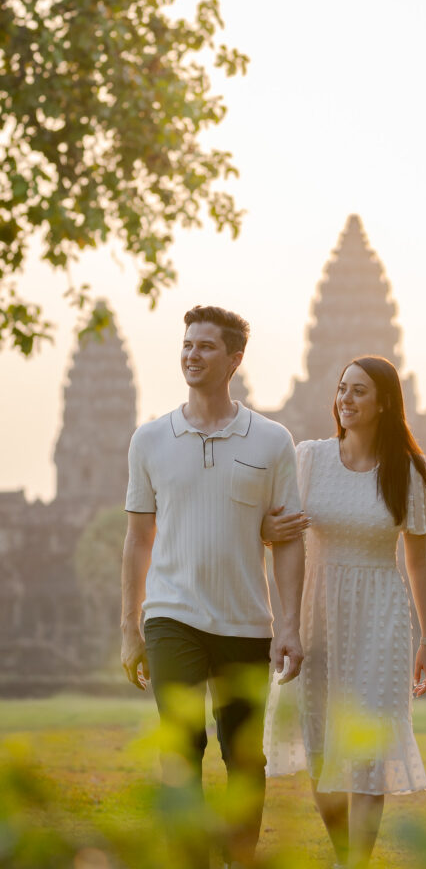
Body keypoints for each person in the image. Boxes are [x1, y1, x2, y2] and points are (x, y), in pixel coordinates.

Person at [121, 305, 306, 869]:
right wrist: (130, 628)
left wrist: (290, 626)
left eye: (205, 346)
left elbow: (290, 538)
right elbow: (137, 540)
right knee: (181, 748)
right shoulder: (150, 439)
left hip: (246, 622)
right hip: (171, 615)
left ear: (234, 359)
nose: (192, 354)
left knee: (245, 761)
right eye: (187, 344)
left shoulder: (272, 441)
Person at [262, 355, 426, 869]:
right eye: (342, 389)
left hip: (380, 617)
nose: (346, 399)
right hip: (317, 610)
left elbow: (420, 560)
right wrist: (286, 622)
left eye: (359, 391)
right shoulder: (310, 458)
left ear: (385, 402)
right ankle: (342, 854)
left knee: (368, 750)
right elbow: (281, 536)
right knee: (319, 746)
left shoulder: (409, 471)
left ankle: (354, 864)